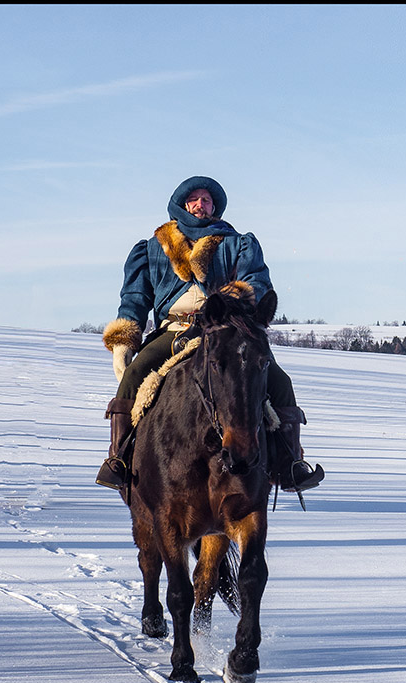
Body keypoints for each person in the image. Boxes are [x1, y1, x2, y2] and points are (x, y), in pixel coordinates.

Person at [95, 175, 324, 494]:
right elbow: (134, 296)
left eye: (207, 200)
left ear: (214, 208)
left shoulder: (237, 242)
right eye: (195, 199)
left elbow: (257, 281)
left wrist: (230, 301)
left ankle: (289, 464)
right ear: (181, 205)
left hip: (225, 328)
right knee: (133, 376)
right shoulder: (151, 248)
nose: (201, 205)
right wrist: (123, 341)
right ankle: (119, 459)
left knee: (279, 381)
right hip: (173, 330)